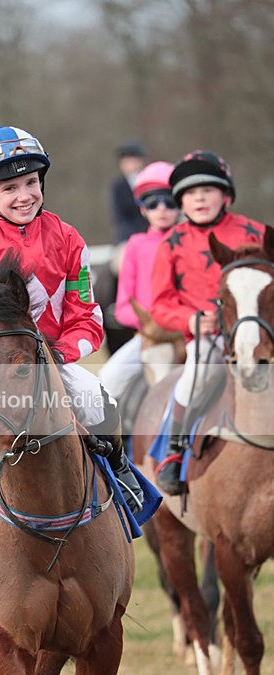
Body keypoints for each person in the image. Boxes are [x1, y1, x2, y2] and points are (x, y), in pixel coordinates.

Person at [0, 125, 144, 524]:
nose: (24, 196)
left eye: (31, 182)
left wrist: (54, 356)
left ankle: (122, 476)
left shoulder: (70, 240)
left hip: (52, 360)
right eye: (9, 188)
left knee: (98, 395)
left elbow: (87, 318)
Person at [150, 150, 265, 494]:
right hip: (210, 336)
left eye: (209, 189)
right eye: (190, 192)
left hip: (259, 331)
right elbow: (159, 303)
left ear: (226, 195)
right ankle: (174, 451)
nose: (199, 197)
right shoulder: (171, 243)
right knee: (198, 369)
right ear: (180, 202)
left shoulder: (255, 232)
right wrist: (189, 318)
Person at [98, 161, 180, 401]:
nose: (162, 209)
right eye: (153, 203)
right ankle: (107, 439)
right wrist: (152, 323)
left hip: (186, 336)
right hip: (147, 336)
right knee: (106, 381)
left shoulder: (189, 242)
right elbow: (123, 307)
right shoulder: (135, 246)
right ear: (142, 209)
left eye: (170, 201)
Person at [99, 138, 149, 355]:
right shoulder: (117, 186)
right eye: (127, 160)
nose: (130, 163)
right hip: (127, 237)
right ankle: (113, 307)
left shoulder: (148, 182)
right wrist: (134, 238)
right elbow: (120, 217)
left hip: (151, 234)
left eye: (133, 159)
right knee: (119, 264)